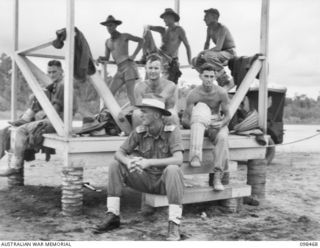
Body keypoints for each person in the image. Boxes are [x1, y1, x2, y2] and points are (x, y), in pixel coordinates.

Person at [93, 97, 184, 241]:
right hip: (145, 180)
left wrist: (149, 162)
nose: (140, 115)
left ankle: (174, 224)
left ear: (157, 115)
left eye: (144, 111)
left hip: (164, 183)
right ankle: (113, 215)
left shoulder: (171, 131)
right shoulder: (139, 131)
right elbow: (119, 153)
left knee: (173, 169)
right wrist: (127, 162)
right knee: (115, 164)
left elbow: (179, 159)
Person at [0, 60, 70, 176]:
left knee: (21, 130)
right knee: (5, 131)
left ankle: (15, 166)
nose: (51, 75)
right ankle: (26, 118)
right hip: (49, 119)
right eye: (49, 72)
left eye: (54, 72)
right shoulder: (53, 86)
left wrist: (38, 116)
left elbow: (55, 112)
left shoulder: (62, 86)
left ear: (61, 71)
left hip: (58, 122)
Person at [181, 64, 230, 191]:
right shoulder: (194, 94)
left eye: (211, 76)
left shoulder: (221, 92)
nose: (209, 79)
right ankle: (195, 156)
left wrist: (222, 123)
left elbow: (228, 115)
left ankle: (217, 176)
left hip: (216, 121)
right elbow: (185, 118)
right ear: (200, 76)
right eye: (206, 76)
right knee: (199, 115)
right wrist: (197, 123)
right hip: (199, 123)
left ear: (215, 77)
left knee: (223, 138)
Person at [98, 15, 143, 105]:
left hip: (129, 67)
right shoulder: (107, 42)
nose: (109, 28)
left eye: (111, 25)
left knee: (130, 94)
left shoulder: (124, 36)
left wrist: (134, 55)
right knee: (109, 94)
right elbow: (106, 57)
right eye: (107, 26)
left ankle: (136, 116)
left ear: (115, 26)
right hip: (119, 70)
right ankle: (111, 115)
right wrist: (100, 58)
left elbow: (141, 40)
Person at [141, 8, 192, 84]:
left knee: (167, 83)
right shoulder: (162, 30)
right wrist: (146, 28)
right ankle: (143, 57)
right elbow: (147, 26)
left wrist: (189, 61)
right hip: (157, 53)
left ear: (172, 18)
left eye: (166, 18)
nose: (164, 20)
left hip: (168, 58)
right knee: (146, 31)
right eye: (164, 18)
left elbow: (187, 46)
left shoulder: (179, 30)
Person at [193, 8, 236, 90]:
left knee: (208, 56)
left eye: (206, 16)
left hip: (229, 53)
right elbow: (207, 43)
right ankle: (209, 78)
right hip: (219, 53)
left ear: (214, 17)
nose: (204, 19)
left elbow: (218, 47)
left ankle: (224, 78)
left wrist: (203, 52)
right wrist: (201, 57)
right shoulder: (209, 29)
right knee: (195, 61)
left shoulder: (222, 28)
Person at [133, 54, 178, 127]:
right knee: (136, 114)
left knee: (172, 115)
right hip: (147, 113)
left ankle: (170, 137)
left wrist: (147, 97)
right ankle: (139, 136)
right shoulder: (139, 86)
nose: (153, 71)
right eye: (150, 68)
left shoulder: (170, 85)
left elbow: (159, 100)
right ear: (146, 68)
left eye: (156, 68)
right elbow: (140, 107)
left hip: (165, 112)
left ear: (161, 69)